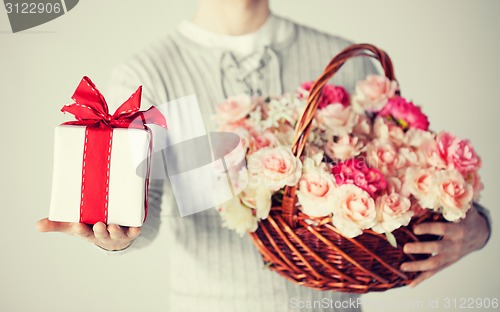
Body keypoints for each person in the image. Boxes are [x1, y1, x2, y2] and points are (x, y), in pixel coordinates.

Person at [37, 0, 491, 311]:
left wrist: (480, 226)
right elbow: (144, 215)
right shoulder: (148, 74)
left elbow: (406, 185)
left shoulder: (346, 61)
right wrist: (115, 236)